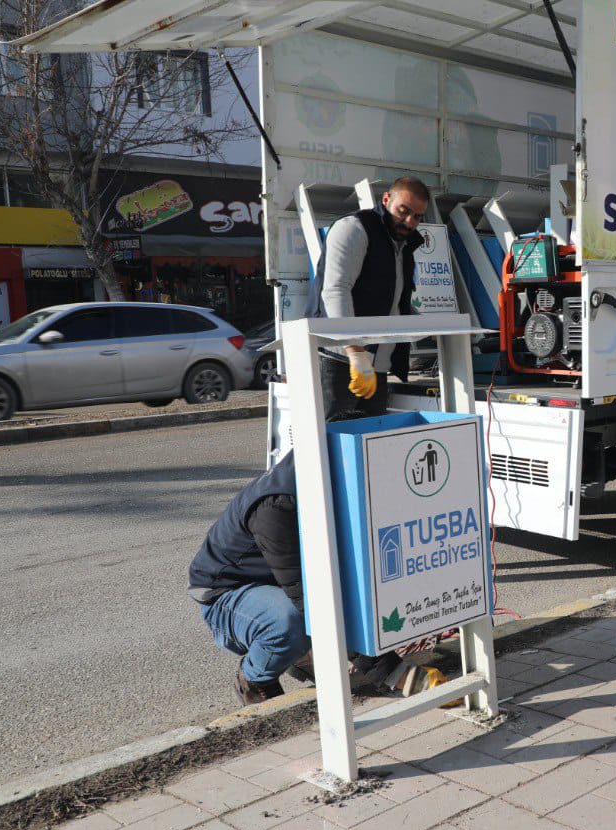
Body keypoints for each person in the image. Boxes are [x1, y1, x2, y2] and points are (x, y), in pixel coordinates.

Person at [188, 452, 440, 705]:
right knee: (292, 620)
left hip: (276, 583)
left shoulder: (323, 477)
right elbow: (309, 599)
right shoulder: (275, 508)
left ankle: (300, 651)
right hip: (225, 595)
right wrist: (392, 672)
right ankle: (254, 678)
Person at [319, 176, 430, 421]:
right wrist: (355, 353)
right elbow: (335, 290)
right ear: (386, 199)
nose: (410, 221)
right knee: (331, 445)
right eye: (404, 211)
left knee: (370, 445)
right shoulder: (354, 228)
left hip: (375, 364)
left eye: (418, 216)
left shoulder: (401, 243)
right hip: (340, 360)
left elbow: (392, 301)